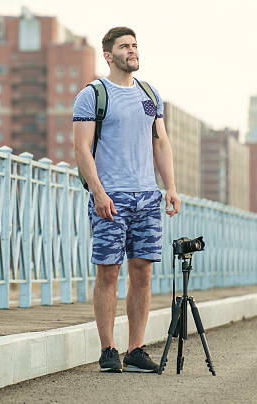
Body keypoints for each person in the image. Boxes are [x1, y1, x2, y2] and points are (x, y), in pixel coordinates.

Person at [72, 26, 181, 373]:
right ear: (109, 55)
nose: (132, 51)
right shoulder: (92, 95)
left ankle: (135, 349)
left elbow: (160, 143)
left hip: (148, 197)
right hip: (111, 197)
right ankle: (108, 349)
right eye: (124, 46)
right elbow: (81, 149)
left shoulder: (150, 95)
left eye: (135, 45)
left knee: (143, 272)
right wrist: (98, 192)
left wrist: (171, 187)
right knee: (108, 271)